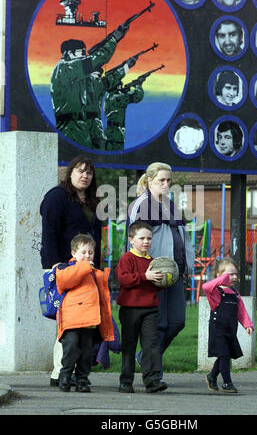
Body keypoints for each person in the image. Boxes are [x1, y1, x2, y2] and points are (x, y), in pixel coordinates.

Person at [127, 162, 195, 379]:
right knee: (160, 324)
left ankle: (146, 358)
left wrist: (188, 265)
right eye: (161, 181)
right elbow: (136, 242)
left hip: (174, 274)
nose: (166, 184)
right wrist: (144, 272)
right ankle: (154, 375)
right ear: (149, 181)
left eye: (168, 180)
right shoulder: (142, 205)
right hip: (153, 275)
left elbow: (184, 237)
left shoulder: (170, 205)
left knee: (177, 322)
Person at [40, 154, 102, 387]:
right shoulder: (57, 197)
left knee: (83, 324)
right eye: (80, 170)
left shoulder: (92, 201)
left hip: (87, 269)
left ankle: (73, 372)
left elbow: (96, 238)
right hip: (62, 268)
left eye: (89, 172)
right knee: (66, 322)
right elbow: (49, 232)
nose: (84, 175)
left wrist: (98, 267)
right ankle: (59, 373)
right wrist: (56, 264)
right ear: (70, 172)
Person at [50, 23, 129, 148]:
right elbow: (95, 60)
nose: (84, 55)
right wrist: (114, 39)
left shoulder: (78, 77)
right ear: (68, 53)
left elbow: (102, 84)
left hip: (81, 127)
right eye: (81, 52)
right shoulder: (64, 68)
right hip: (71, 128)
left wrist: (126, 68)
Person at [56, 233, 114, 392]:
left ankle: (82, 379)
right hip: (71, 320)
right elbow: (64, 281)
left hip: (89, 320)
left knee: (86, 353)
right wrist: (85, 266)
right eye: (83, 252)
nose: (87, 256)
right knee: (71, 348)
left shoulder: (95, 272)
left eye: (90, 252)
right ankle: (65, 375)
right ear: (73, 253)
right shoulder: (66, 268)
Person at [116, 220, 168, 393]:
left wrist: (162, 280)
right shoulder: (127, 258)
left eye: (149, 238)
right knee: (129, 346)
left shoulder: (154, 262)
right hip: (130, 309)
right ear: (131, 240)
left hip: (150, 309)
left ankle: (152, 380)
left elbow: (155, 284)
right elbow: (124, 279)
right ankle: (126, 381)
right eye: (142, 238)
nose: (146, 242)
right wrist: (146, 276)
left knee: (152, 345)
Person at [202, 257, 254, 393]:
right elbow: (205, 287)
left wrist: (248, 324)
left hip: (230, 330)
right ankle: (227, 383)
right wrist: (221, 280)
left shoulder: (236, 294)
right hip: (217, 330)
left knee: (224, 355)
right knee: (224, 355)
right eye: (230, 274)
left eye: (236, 274)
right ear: (219, 276)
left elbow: (241, 312)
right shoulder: (216, 293)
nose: (234, 277)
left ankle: (212, 376)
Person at [104, 80, 144, 151]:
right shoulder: (118, 97)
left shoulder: (109, 98)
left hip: (110, 133)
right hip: (116, 135)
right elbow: (137, 97)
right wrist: (138, 85)